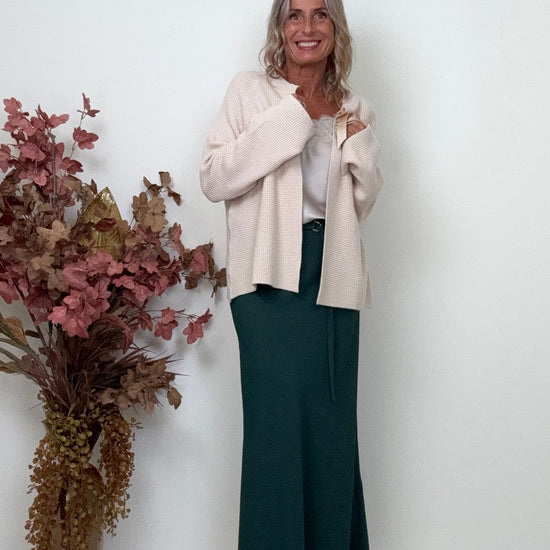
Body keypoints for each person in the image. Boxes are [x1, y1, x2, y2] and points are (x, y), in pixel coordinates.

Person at [200, 0, 383, 548]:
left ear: (335, 27)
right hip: (267, 282)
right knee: (275, 431)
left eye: (320, 14)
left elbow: (361, 202)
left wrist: (359, 147)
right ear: (280, 28)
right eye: (294, 15)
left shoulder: (354, 105)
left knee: (332, 430)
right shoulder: (250, 91)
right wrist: (293, 116)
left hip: (334, 276)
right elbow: (214, 178)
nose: (307, 27)